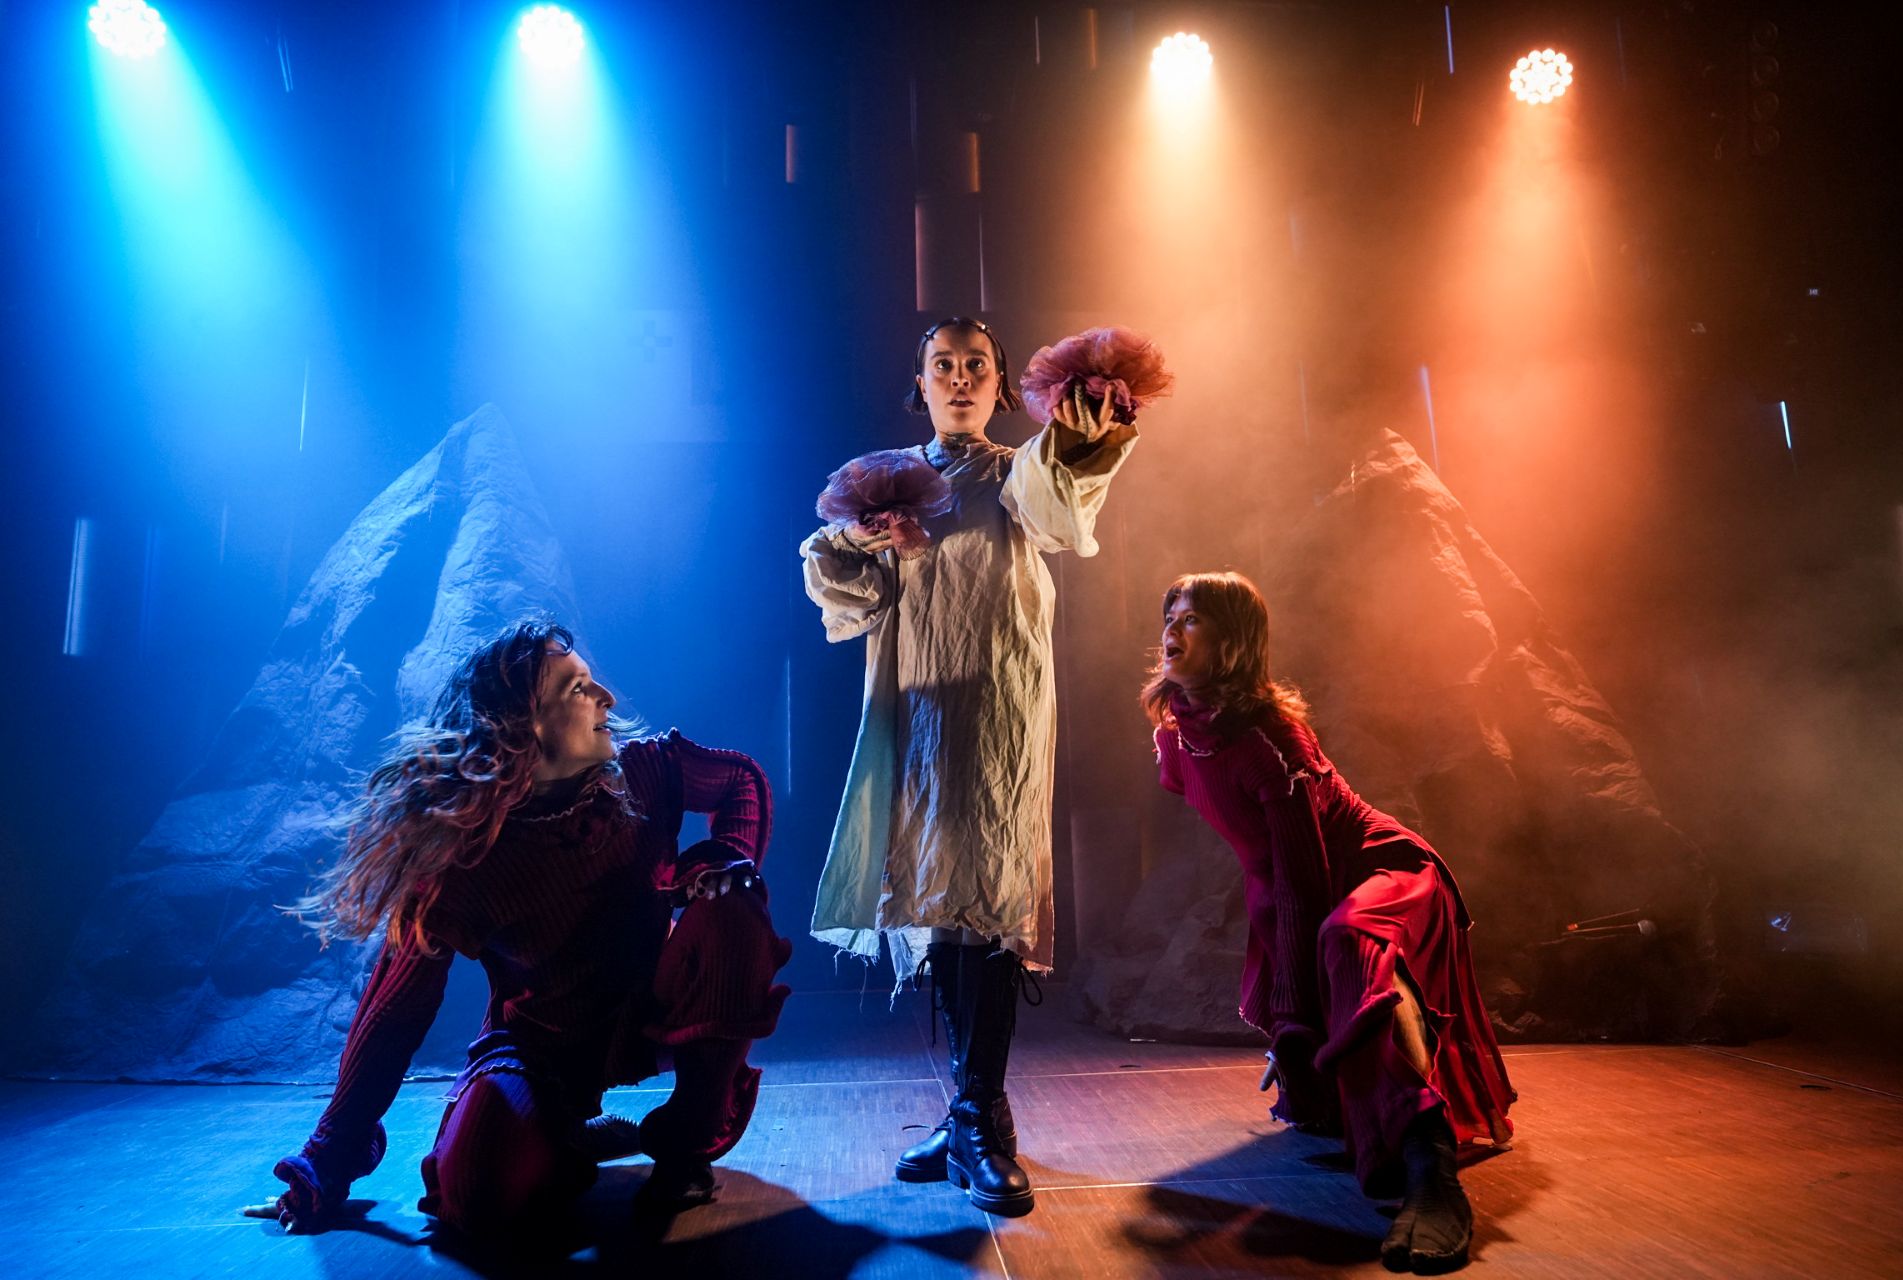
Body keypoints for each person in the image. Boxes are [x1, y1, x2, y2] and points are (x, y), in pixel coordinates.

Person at [248, 618, 790, 1240]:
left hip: (659, 1008)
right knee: (476, 1194)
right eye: (578, 688)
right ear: (523, 726)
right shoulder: (463, 854)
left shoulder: (645, 769)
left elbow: (741, 781)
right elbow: (394, 1010)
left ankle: (684, 1145)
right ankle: (562, 1143)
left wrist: (721, 858)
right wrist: (328, 1159)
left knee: (735, 901)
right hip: (541, 1048)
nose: (607, 698)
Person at [801, 316, 1139, 1215]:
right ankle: (969, 1116)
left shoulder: (1015, 472)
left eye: (976, 366)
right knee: (942, 907)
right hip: (918, 714)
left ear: (999, 383)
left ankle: (981, 1119)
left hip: (998, 714)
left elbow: (1058, 500)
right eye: (943, 365)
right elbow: (844, 592)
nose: (959, 378)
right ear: (920, 382)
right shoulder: (886, 483)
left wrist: (1083, 431)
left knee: (990, 908)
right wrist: (860, 541)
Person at [1144, 572, 1515, 1273]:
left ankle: (1432, 1170)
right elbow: (1266, 865)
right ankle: (1391, 1113)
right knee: (1332, 1032)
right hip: (1298, 884)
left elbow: (1306, 874)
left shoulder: (1271, 739)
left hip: (1378, 867)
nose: (1172, 628)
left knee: (1350, 941)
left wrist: (1296, 1013)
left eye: (1192, 619)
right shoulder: (1177, 737)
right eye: (1171, 614)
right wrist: (1293, 1023)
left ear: (1232, 641)